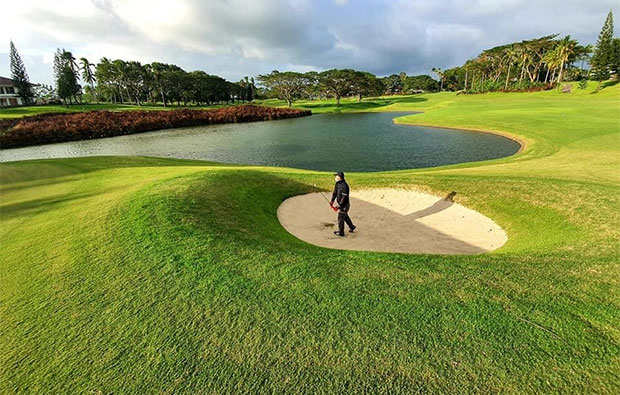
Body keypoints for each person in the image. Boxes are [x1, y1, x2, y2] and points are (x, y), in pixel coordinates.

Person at [330, 171, 356, 237]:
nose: (335, 177)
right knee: (345, 216)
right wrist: (332, 201)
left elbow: (343, 198)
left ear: (340, 177)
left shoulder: (345, 186)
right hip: (341, 205)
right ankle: (352, 227)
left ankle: (341, 232)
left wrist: (338, 206)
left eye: (336, 176)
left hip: (344, 205)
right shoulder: (337, 184)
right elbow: (335, 193)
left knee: (340, 218)